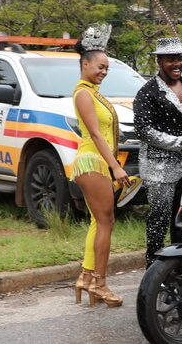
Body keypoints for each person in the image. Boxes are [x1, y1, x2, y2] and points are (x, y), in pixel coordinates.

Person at [71, 24, 141, 308]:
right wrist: (116, 167)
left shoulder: (94, 92)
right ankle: (100, 284)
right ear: (85, 64)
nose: (103, 71)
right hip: (92, 161)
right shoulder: (83, 93)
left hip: (98, 161)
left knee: (97, 222)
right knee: (106, 222)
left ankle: (86, 279)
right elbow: (97, 134)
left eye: (106, 68)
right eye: (99, 66)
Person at [133, 37, 182, 267]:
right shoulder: (148, 92)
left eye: (179, 58)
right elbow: (143, 130)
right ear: (159, 61)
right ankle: (154, 264)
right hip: (158, 165)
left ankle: (179, 265)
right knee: (159, 216)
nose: (176, 63)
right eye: (171, 59)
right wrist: (179, 143)